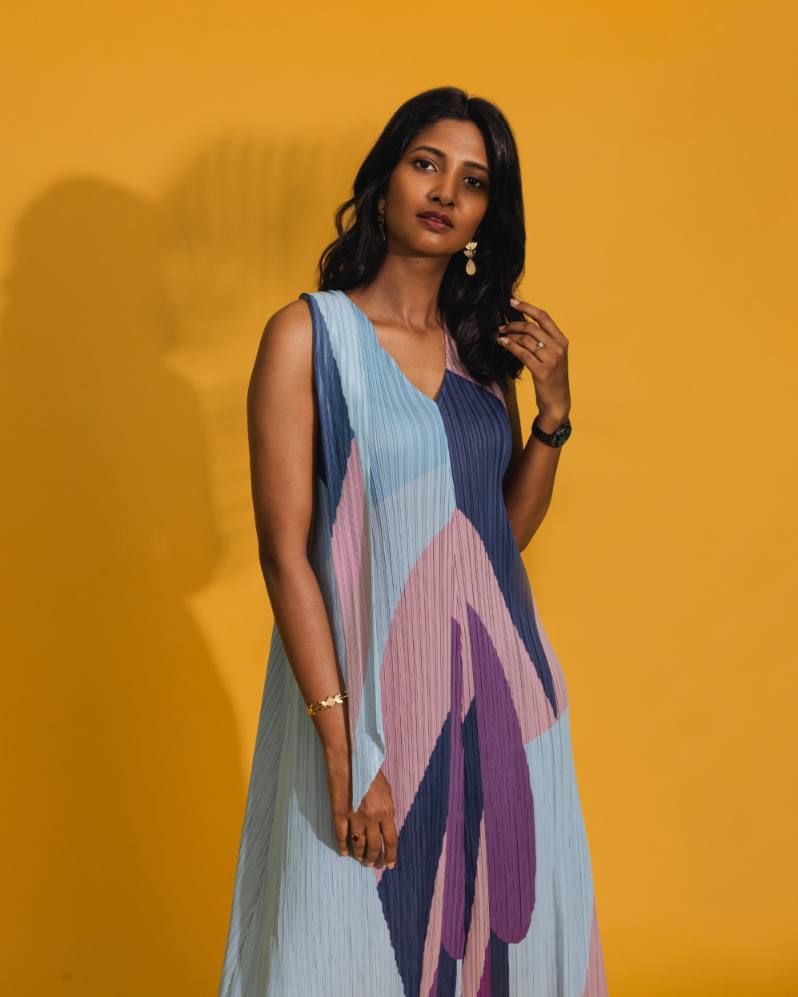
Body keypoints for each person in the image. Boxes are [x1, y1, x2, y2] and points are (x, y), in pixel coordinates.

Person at [218, 87, 608, 997]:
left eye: (472, 182)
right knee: (342, 936)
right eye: (426, 164)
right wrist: (345, 749)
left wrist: (552, 416)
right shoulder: (309, 335)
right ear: (384, 178)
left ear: (483, 216)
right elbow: (285, 554)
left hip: (499, 697)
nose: (444, 192)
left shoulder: (483, 355)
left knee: (491, 946)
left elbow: (494, 538)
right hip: (363, 702)